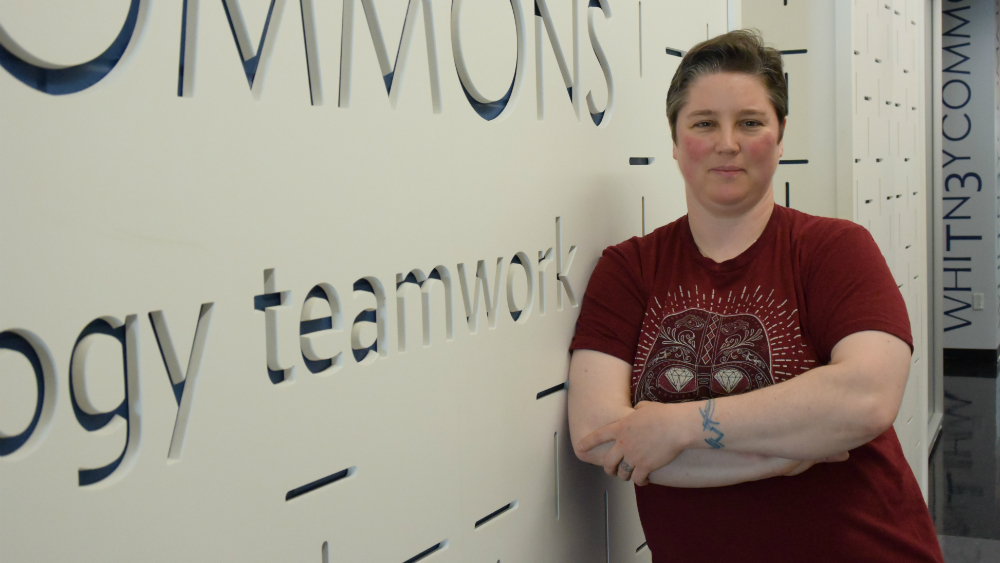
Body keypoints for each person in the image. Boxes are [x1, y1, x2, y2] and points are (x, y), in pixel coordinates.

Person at [567, 30, 943, 562]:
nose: (728, 143)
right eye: (704, 123)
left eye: (750, 122)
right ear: (675, 141)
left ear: (780, 135)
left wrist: (678, 426)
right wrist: (790, 448)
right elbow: (602, 438)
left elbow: (867, 398)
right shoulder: (629, 270)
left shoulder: (834, 249)